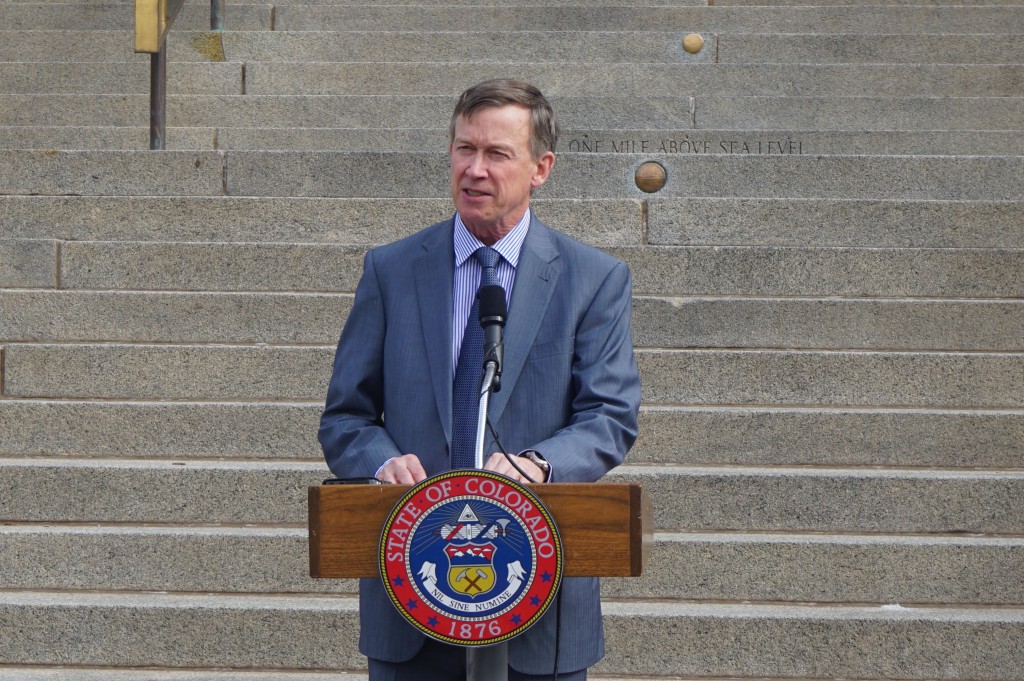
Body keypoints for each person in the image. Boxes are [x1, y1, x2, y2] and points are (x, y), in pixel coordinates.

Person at [319, 79, 641, 681]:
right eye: (464, 149)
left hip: (536, 605)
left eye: (497, 154)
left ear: (541, 167)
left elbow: (609, 416)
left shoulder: (592, 279)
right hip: (411, 596)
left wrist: (540, 464)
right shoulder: (391, 270)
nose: (475, 169)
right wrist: (380, 461)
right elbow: (346, 416)